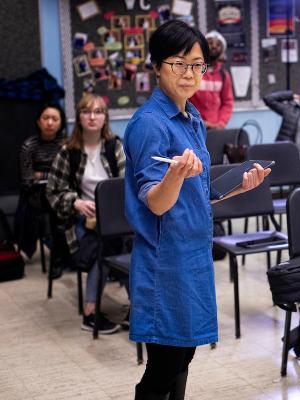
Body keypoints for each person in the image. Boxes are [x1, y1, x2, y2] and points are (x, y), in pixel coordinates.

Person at [123, 20, 271, 399]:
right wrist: (173, 177)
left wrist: (240, 187)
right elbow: (156, 202)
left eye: (197, 64)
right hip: (164, 261)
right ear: (156, 66)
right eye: (179, 63)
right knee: (164, 365)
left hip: (192, 255)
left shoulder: (192, 118)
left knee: (184, 355)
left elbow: (197, 195)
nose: (190, 74)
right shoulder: (149, 125)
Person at [46, 93, 124, 335]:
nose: (92, 117)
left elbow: (125, 185)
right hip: (78, 222)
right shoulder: (67, 153)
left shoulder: (114, 146)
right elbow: (52, 192)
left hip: (113, 217)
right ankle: (91, 313)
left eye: (98, 112)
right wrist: (76, 202)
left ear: (105, 118)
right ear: (78, 118)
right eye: (87, 112)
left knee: (134, 242)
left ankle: (135, 309)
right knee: (103, 246)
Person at [15, 103, 67, 275]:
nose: (50, 123)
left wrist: (42, 175)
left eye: (55, 119)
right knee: (49, 212)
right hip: (35, 195)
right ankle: (56, 258)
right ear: (38, 121)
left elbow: (69, 176)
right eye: (46, 118)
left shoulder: (65, 144)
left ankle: (66, 255)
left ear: (61, 123)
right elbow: (28, 180)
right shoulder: (29, 146)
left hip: (61, 192)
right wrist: (52, 175)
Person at [188, 30, 234, 130]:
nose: (214, 46)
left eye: (218, 44)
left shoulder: (224, 75)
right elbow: (182, 99)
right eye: (210, 43)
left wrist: (221, 123)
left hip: (215, 130)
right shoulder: (191, 70)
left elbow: (227, 102)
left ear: (222, 50)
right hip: (192, 127)